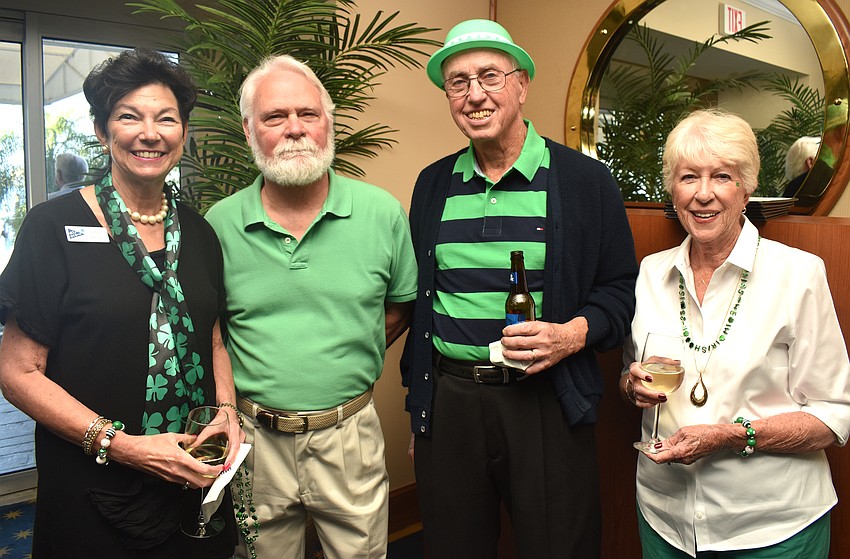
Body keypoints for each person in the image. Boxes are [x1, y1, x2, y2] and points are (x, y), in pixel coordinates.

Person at [402, 19, 638, 558]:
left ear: (522, 85)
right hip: (452, 404)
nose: (475, 94)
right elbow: (423, 304)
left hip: (545, 402)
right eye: (458, 82)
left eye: (490, 76)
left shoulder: (584, 181)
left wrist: (573, 335)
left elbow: (622, 289)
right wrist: (421, 406)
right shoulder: (432, 183)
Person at [0, 48, 242, 558]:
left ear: (182, 131)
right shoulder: (51, 229)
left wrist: (226, 412)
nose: (149, 133)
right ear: (101, 128)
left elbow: (213, 336)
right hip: (93, 483)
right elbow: (19, 374)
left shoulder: (199, 232)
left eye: (166, 118)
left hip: (193, 479)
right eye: (129, 116)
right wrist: (125, 447)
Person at [205, 54, 418, 559]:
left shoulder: (381, 213)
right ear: (249, 130)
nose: (294, 129)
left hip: (349, 436)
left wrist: (339, 352)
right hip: (254, 442)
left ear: (329, 123)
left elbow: (399, 309)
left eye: (309, 113)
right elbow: (213, 331)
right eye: (275, 117)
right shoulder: (218, 223)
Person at [622, 108, 850, 557]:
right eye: (688, 177)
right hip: (664, 521)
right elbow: (631, 380)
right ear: (673, 190)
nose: (703, 194)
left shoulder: (798, 274)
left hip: (771, 530)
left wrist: (731, 436)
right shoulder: (651, 272)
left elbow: (834, 414)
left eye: (721, 176)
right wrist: (632, 387)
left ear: (746, 189)